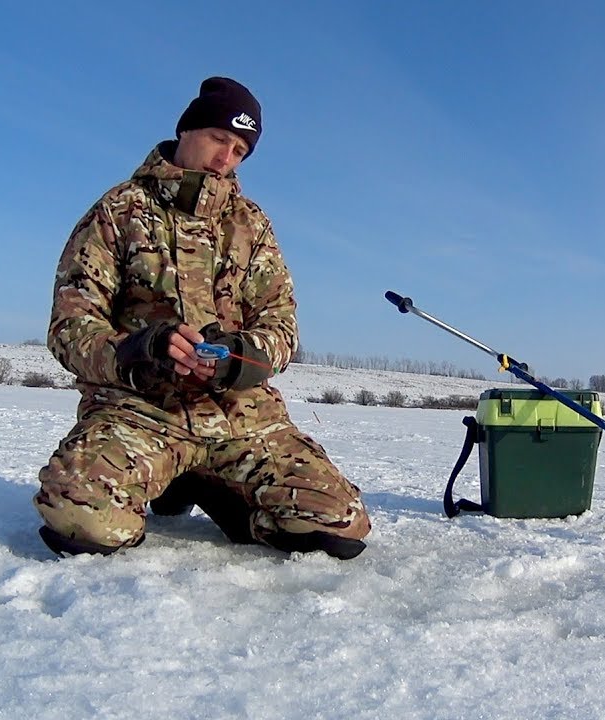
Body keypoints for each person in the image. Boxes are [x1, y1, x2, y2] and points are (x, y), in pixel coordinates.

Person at [33, 77, 371, 560]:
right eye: (218, 139)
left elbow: (281, 325)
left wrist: (240, 359)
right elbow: (71, 325)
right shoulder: (119, 210)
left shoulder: (251, 225)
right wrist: (140, 351)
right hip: (140, 411)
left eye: (238, 150)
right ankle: (164, 475)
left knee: (340, 524)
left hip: (239, 416)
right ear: (187, 129)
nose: (225, 158)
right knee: (80, 515)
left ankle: (215, 488)